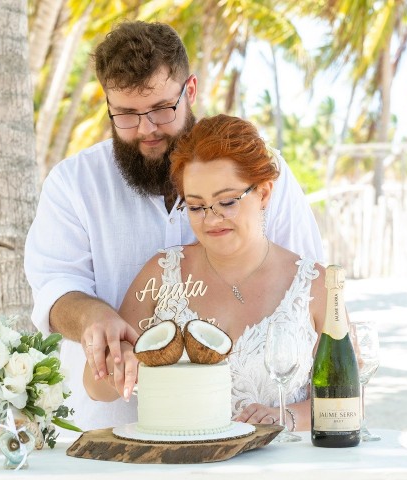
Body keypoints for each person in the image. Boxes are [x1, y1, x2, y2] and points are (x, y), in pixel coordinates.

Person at [24, 21, 324, 431]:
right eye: (126, 115)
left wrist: (292, 415)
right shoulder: (73, 183)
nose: (146, 129)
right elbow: (54, 286)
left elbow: (300, 284)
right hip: (110, 431)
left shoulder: (266, 172)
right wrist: (95, 318)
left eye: (162, 109)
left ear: (191, 91)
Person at [83, 114, 328, 430]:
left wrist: (288, 417)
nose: (212, 219)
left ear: (264, 193)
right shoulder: (161, 274)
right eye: (196, 207)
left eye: (226, 202)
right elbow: (95, 386)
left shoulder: (315, 285)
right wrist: (118, 365)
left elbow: (350, 399)